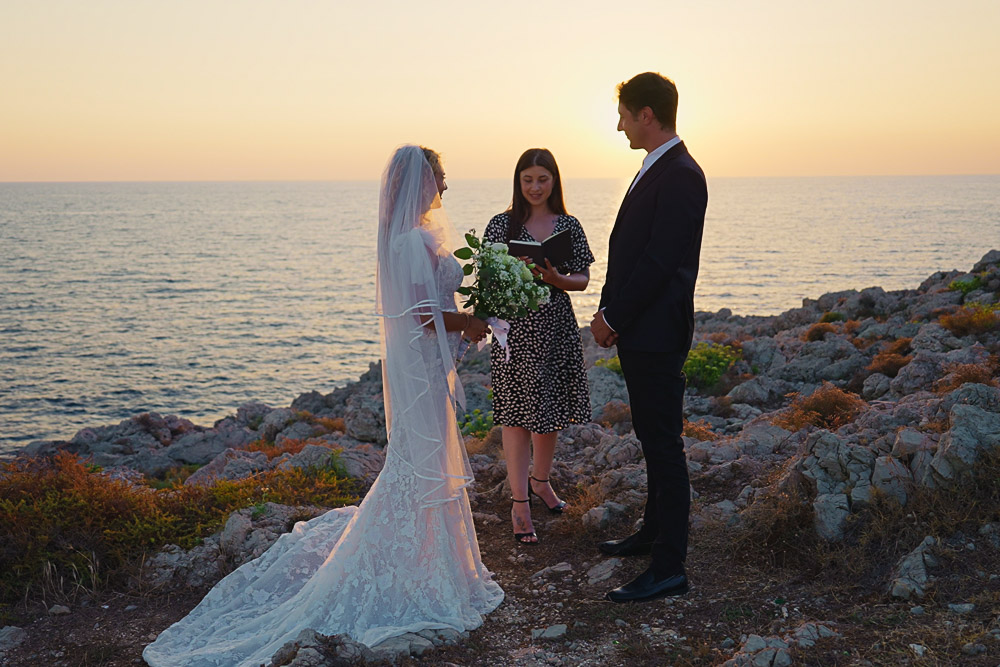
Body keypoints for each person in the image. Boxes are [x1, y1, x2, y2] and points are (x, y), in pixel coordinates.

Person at [143, 145, 503, 666]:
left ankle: (432, 562)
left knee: (422, 459)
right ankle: (416, 570)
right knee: (420, 461)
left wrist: (469, 318)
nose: (444, 187)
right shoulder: (411, 241)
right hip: (422, 364)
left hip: (424, 363)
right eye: (440, 177)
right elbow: (423, 315)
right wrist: (469, 322)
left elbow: (429, 309)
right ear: (420, 182)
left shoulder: (411, 237)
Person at [590, 72, 708, 602]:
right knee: (650, 436)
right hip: (642, 329)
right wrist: (608, 308)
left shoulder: (682, 174)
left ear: (647, 115)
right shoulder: (658, 166)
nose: (619, 126)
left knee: (663, 445)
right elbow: (628, 249)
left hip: (657, 331)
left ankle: (669, 567)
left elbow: (660, 261)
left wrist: (614, 318)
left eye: (624, 116)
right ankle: (652, 532)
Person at [483, 148, 594, 545]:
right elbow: (486, 281)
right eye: (527, 179)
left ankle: (541, 482)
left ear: (554, 181)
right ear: (518, 181)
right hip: (515, 331)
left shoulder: (569, 224)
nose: (535, 187)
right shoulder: (501, 225)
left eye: (542, 179)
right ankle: (520, 503)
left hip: (556, 326)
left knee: (551, 409)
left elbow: (583, 278)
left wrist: (556, 279)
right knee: (516, 415)